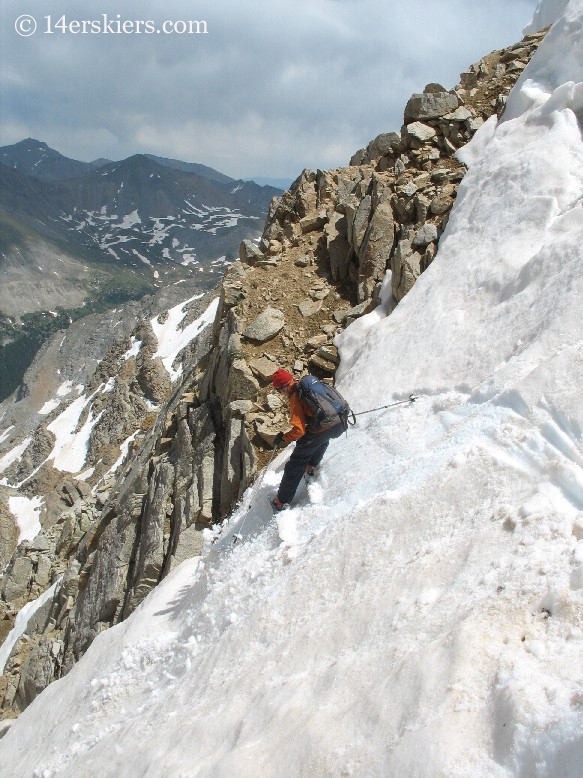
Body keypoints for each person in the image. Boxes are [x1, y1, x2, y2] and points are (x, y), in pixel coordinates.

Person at [270, 368, 345, 511]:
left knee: (294, 465)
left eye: (279, 391)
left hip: (324, 428)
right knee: (322, 437)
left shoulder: (295, 397)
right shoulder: (307, 386)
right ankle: (312, 465)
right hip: (339, 422)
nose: (280, 394)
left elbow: (299, 430)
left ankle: (281, 501)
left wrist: (284, 438)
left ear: (284, 387)